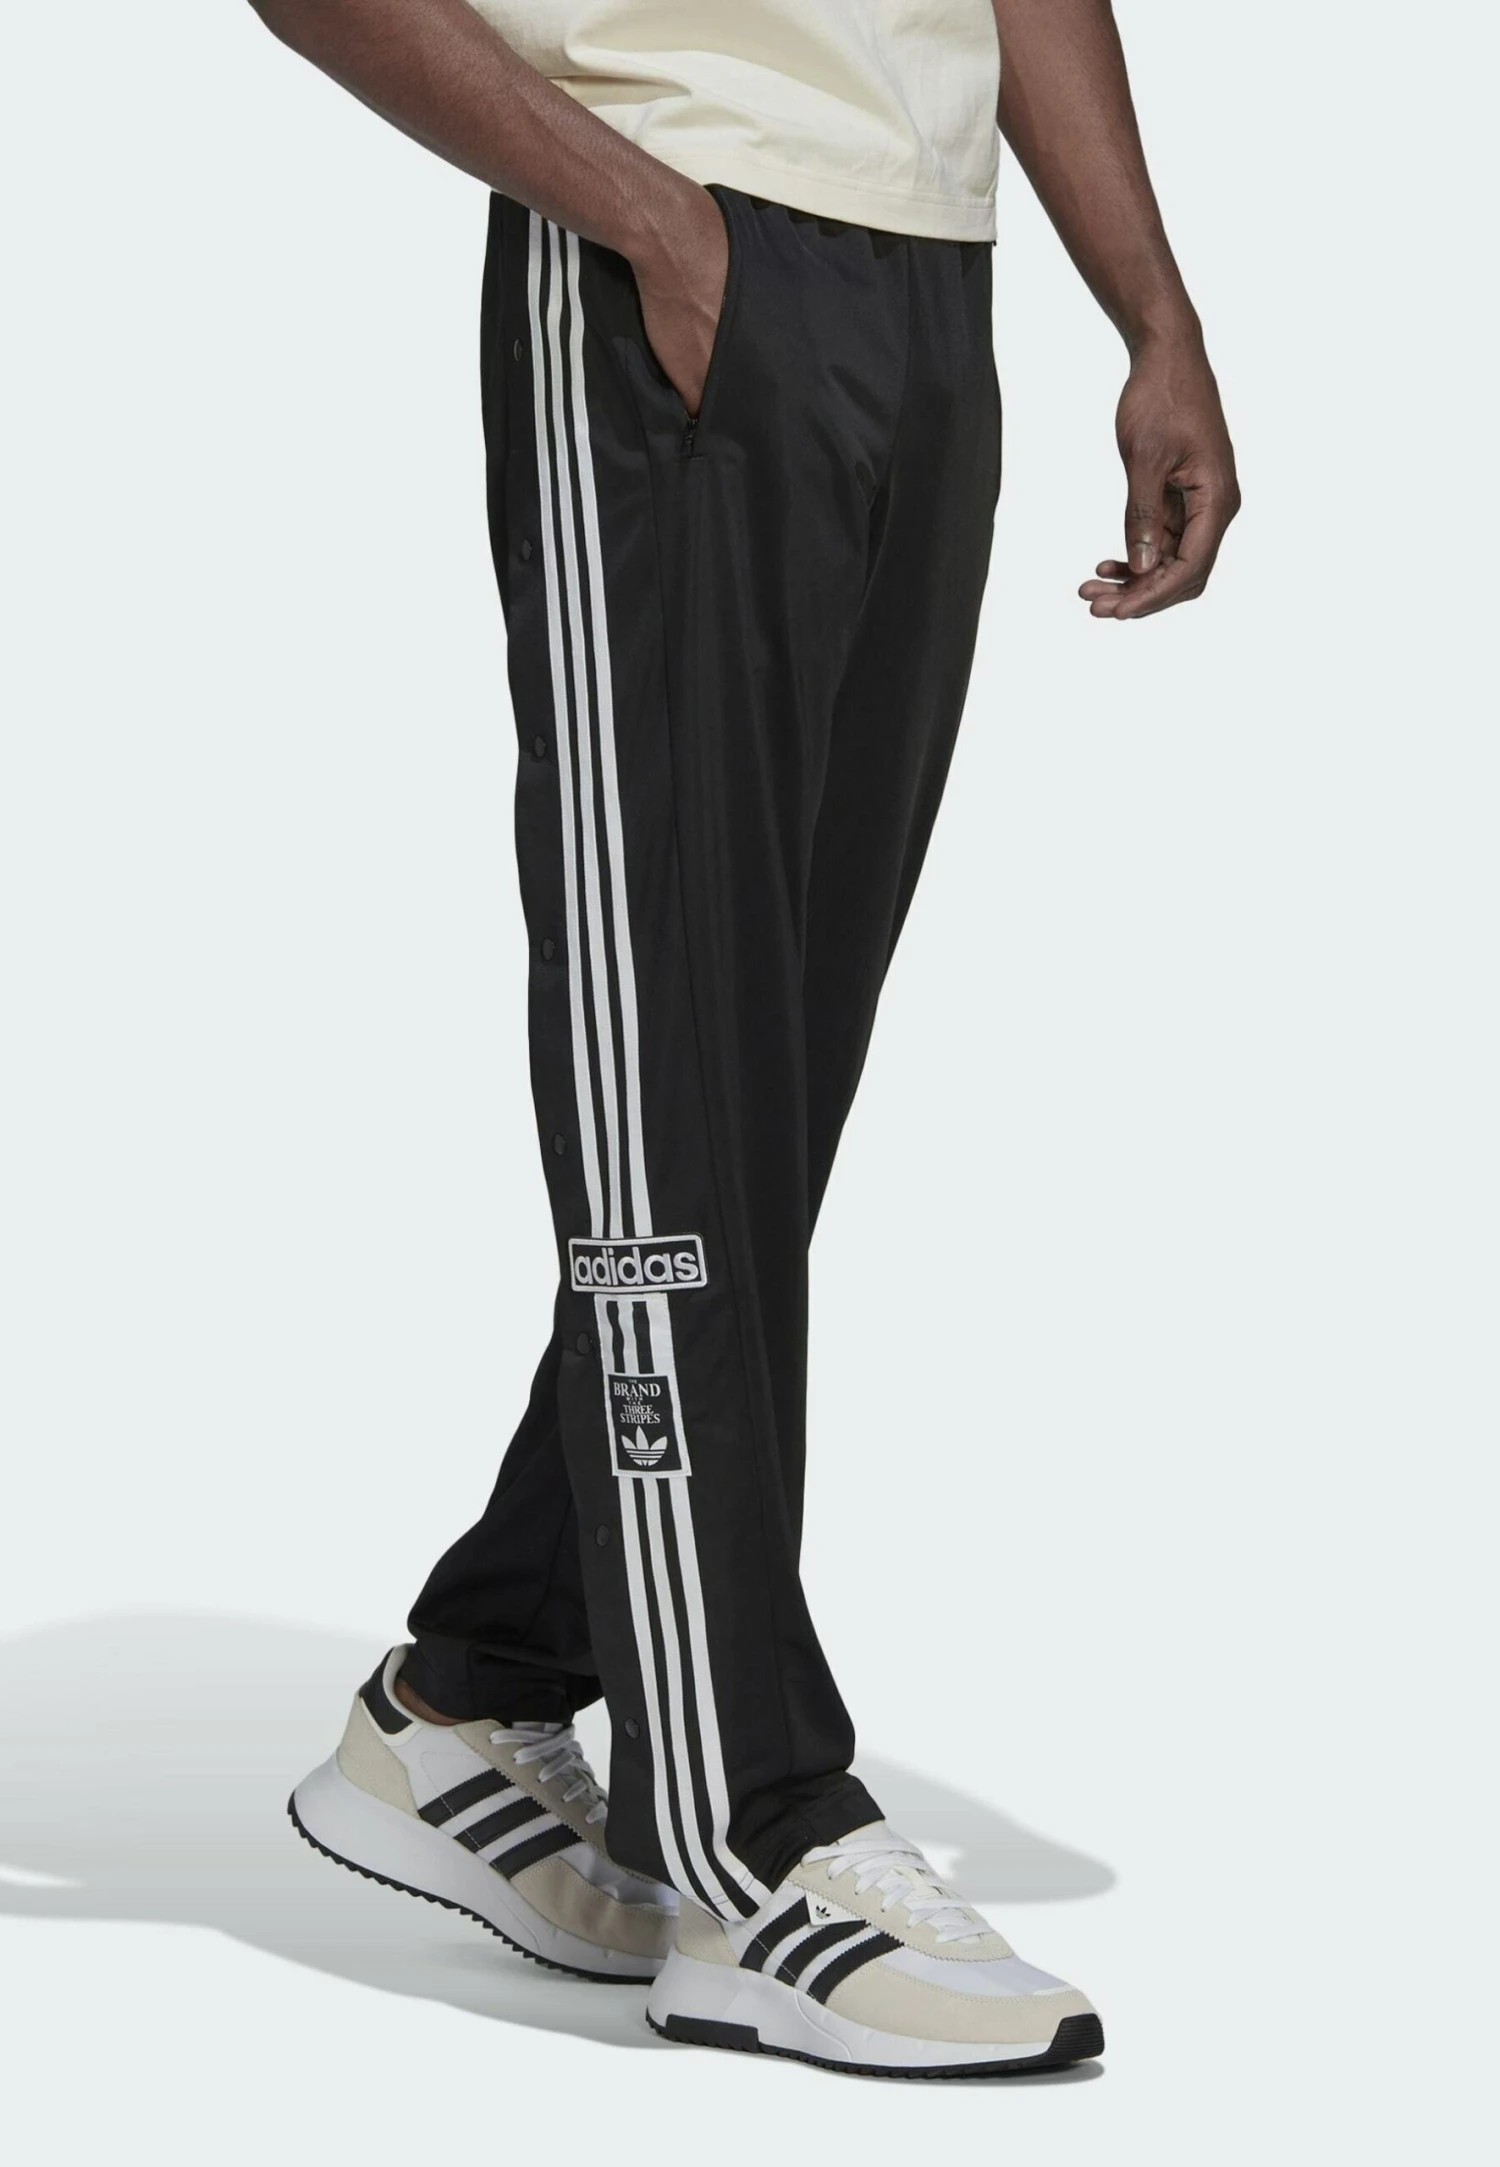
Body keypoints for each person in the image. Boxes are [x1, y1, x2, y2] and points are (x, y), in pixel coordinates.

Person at [259, 0, 1238, 2078]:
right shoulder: (662, 240)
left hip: (928, 274)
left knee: (752, 1089)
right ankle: (748, 1832)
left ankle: (474, 1689)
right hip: (670, 238)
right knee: (672, 1072)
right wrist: (651, 225)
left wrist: (1150, 311)